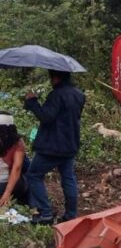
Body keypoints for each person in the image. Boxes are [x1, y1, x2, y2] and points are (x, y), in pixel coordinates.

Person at [24, 70, 85, 225]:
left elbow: (46, 117)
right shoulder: (79, 94)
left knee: (33, 175)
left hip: (52, 146)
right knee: (68, 178)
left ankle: (46, 213)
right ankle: (71, 215)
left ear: (56, 78)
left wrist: (32, 102)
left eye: (51, 77)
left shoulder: (56, 95)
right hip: (70, 144)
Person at [0, 112, 29, 206]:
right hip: (11, 186)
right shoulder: (18, 142)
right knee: (28, 180)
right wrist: (7, 193)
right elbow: (16, 168)